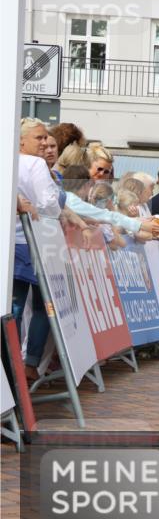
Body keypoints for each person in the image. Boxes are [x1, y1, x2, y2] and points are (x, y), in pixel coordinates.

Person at [13, 118, 63, 380]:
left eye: (46, 138)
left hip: (14, 242)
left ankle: (14, 365)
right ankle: (28, 365)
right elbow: (49, 204)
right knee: (40, 305)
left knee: (16, 306)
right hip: (35, 241)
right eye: (39, 138)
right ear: (21, 140)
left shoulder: (9, 160)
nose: (44, 143)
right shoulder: (35, 164)